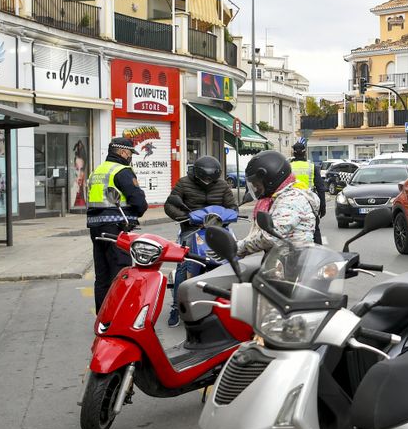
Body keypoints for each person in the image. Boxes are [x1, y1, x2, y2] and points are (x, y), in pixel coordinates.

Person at [162, 156, 239, 326]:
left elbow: (232, 206)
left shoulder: (222, 185)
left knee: (234, 258)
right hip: (191, 228)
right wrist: (182, 217)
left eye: (211, 179)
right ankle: (176, 306)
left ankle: (235, 301)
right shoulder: (183, 183)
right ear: (196, 174)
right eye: (204, 178)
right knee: (183, 264)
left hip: (219, 229)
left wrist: (232, 213)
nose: (208, 181)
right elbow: (170, 205)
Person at [86, 137, 149, 314]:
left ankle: (103, 316)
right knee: (121, 272)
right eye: (130, 153)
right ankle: (118, 316)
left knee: (102, 275)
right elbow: (138, 202)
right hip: (116, 228)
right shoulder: (122, 171)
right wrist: (137, 213)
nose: (131, 157)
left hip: (96, 227)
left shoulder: (97, 170)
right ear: (122, 152)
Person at [238, 149, 318, 258]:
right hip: (281, 261)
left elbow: (271, 235)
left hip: (295, 263)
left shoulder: (292, 200)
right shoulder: (277, 197)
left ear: (270, 179)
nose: (256, 188)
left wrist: (239, 247)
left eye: (257, 184)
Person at [290, 139, 325, 244]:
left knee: (291, 230)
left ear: (293, 153)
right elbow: (320, 188)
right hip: (308, 203)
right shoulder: (312, 167)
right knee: (314, 229)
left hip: (292, 203)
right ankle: (319, 255)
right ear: (305, 152)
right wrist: (322, 207)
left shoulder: (288, 167)